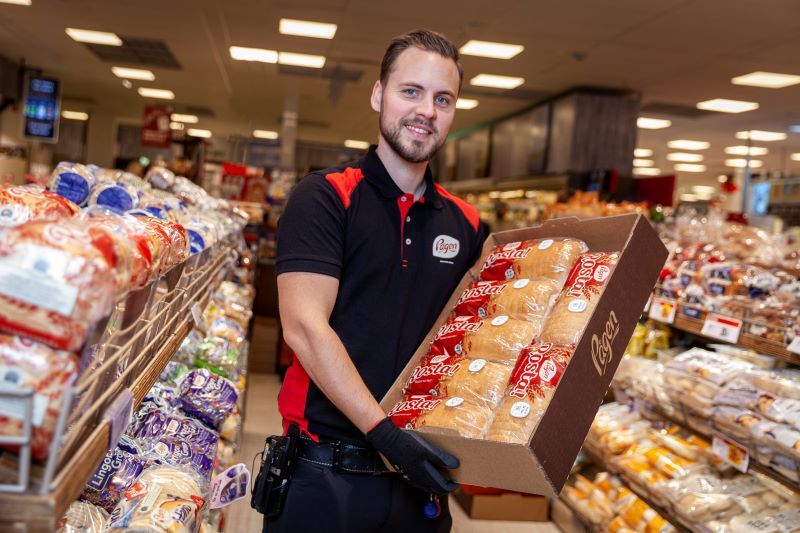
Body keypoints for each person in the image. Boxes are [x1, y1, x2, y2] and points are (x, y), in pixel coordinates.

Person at [269, 29, 488, 532]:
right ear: (378, 95)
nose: (426, 111)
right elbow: (303, 327)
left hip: (421, 477)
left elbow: (471, 342)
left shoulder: (468, 224)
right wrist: (384, 433)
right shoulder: (325, 196)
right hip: (326, 470)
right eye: (410, 91)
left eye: (443, 99)